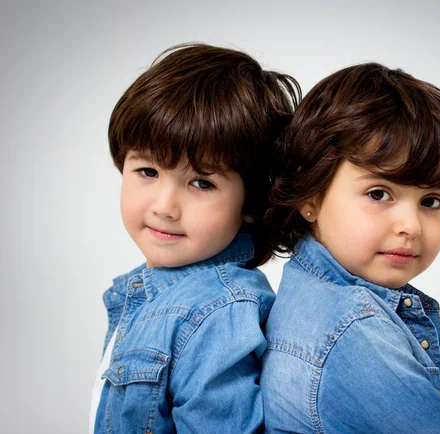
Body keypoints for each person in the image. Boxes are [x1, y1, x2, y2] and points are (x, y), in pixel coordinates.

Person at [261, 63, 440, 433]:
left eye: (431, 201)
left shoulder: (321, 298)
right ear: (310, 194)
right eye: (379, 193)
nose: (410, 226)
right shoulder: (351, 331)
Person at [89, 43, 300, 433]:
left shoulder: (217, 313)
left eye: (201, 182)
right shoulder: (153, 295)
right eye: (148, 171)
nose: (165, 206)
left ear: (252, 201)